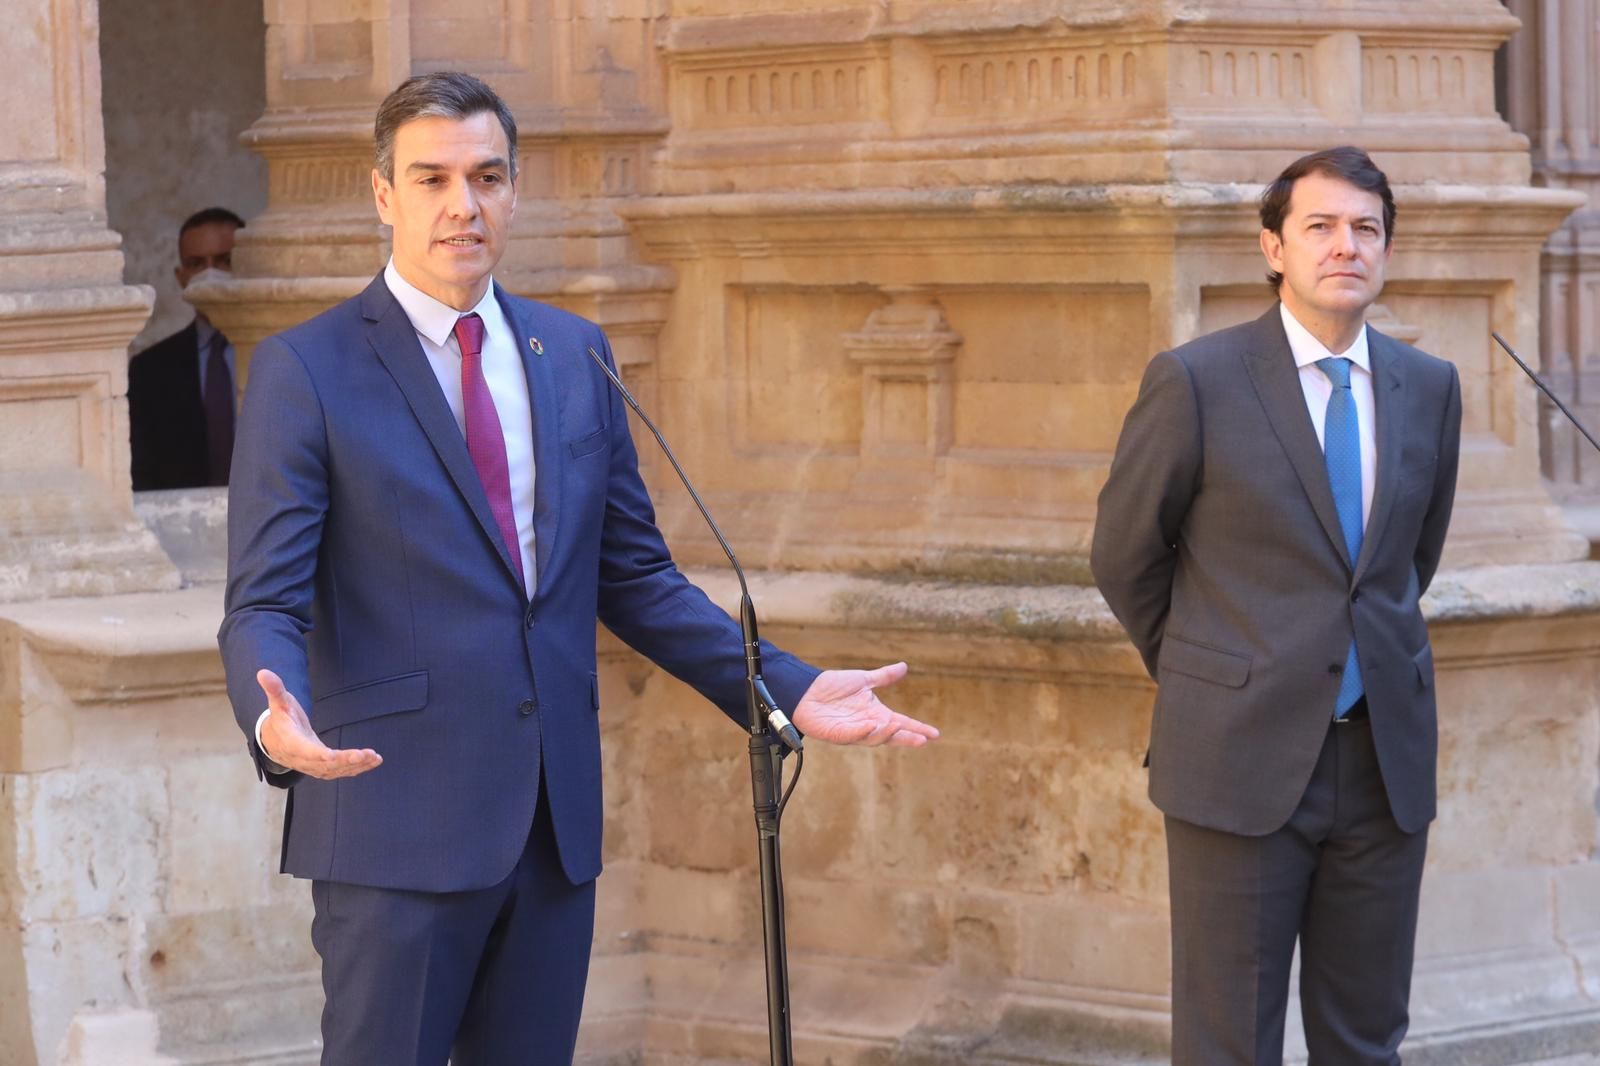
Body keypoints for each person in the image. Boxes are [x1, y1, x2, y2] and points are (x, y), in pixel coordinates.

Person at [217, 71, 937, 1066]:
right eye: (430, 178)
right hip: (395, 825)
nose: (460, 204)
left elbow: (635, 579)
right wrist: (273, 711)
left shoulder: (575, 354)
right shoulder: (308, 370)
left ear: (514, 193)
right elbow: (264, 596)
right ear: (383, 195)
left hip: (551, 833)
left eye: (485, 177)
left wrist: (790, 689)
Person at [1091, 146, 1461, 1065]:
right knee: (1228, 1043)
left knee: (1366, 1040)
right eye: (1322, 226)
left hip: (1383, 765)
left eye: (1367, 229)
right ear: (1273, 246)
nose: (1348, 246)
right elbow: (1126, 554)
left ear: (1386, 250)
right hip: (1237, 758)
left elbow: (1406, 562)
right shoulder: (1197, 380)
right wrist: (1216, 668)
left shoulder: (1431, 388)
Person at [128, 207, 246, 490]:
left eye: (224, 261)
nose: (210, 274)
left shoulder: (284, 354)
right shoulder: (151, 371)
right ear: (182, 277)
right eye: (197, 264)